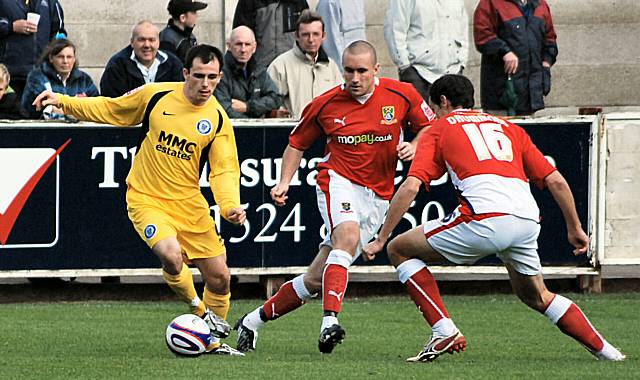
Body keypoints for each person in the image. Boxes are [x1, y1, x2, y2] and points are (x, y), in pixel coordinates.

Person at [363, 74, 626, 363]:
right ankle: (610, 354)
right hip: (526, 220)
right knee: (537, 296)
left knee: (399, 249)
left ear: (443, 102)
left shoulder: (439, 128)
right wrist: (574, 227)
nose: (434, 115)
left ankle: (443, 329)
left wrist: (381, 237)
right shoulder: (507, 127)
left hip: (484, 219)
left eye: (434, 108)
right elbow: (557, 181)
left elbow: (411, 186)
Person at [33, 44, 246, 356]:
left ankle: (212, 343)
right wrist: (64, 103)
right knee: (171, 256)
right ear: (185, 73)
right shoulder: (157, 96)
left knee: (220, 277)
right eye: (198, 75)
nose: (205, 84)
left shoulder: (217, 119)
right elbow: (112, 109)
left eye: (212, 77)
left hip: (189, 203)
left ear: (220, 77)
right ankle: (200, 312)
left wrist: (228, 206)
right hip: (147, 198)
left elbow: (225, 169)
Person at [234, 40, 436, 354]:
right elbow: (296, 144)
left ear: (376, 70)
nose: (354, 78)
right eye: (348, 70)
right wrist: (284, 181)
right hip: (337, 180)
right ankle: (330, 321)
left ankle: (252, 321)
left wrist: (416, 145)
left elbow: (429, 129)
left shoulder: (402, 94)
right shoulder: (326, 103)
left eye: (361, 71)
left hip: (378, 195)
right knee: (348, 235)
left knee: (316, 279)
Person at [473, 0, 557, 116]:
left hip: (530, 94)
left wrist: (546, 62)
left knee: (526, 132)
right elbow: (482, 36)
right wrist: (505, 52)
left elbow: (550, 39)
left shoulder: (541, 5)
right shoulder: (491, 3)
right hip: (502, 92)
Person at [384, 0, 468, 101]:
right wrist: (405, 66)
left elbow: (463, 29)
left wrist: (462, 61)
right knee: (419, 117)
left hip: (452, 72)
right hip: (418, 73)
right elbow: (395, 29)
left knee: (450, 117)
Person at [267, 10, 342, 119]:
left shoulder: (331, 67)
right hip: (293, 132)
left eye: (316, 34)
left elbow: (341, 103)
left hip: (325, 131)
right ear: (297, 36)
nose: (311, 40)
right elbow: (268, 105)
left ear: (323, 36)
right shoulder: (279, 66)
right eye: (306, 34)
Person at [0, 0, 66, 99]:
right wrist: (11, 26)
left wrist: (51, 58)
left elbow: (59, 31)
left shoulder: (50, 2)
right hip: (8, 74)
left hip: (40, 74)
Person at [100, 20, 183, 98]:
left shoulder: (174, 64)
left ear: (158, 42)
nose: (147, 45)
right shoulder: (117, 66)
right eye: (141, 40)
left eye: (151, 40)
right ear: (132, 42)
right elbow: (112, 104)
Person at [214, 26, 282, 118]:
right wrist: (253, 125)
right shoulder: (219, 72)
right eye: (238, 44)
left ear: (254, 47)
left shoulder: (259, 70)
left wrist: (248, 107)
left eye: (247, 44)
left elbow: (276, 99)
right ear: (229, 46)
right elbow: (224, 109)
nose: (243, 50)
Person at [21, 38, 98, 119]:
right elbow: (42, 108)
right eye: (60, 57)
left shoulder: (84, 79)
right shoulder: (37, 77)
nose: (65, 61)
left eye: (69, 57)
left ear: (74, 59)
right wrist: (77, 107)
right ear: (51, 58)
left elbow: (97, 106)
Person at [232, 0, 309, 68]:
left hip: (292, 69)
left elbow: (309, 34)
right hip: (260, 71)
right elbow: (239, 38)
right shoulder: (249, 2)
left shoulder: (299, 2)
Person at [315, 0, 366, 71]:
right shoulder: (329, 3)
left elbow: (361, 35)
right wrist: (343, 72)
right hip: (344, 70)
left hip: (360, 65)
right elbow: (330, 44)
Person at [160, 0, 208, 64]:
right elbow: (169, 69)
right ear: (183, 18)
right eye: (194, 12)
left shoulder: (189, 35)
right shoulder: (167, 39)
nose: (197, 16)